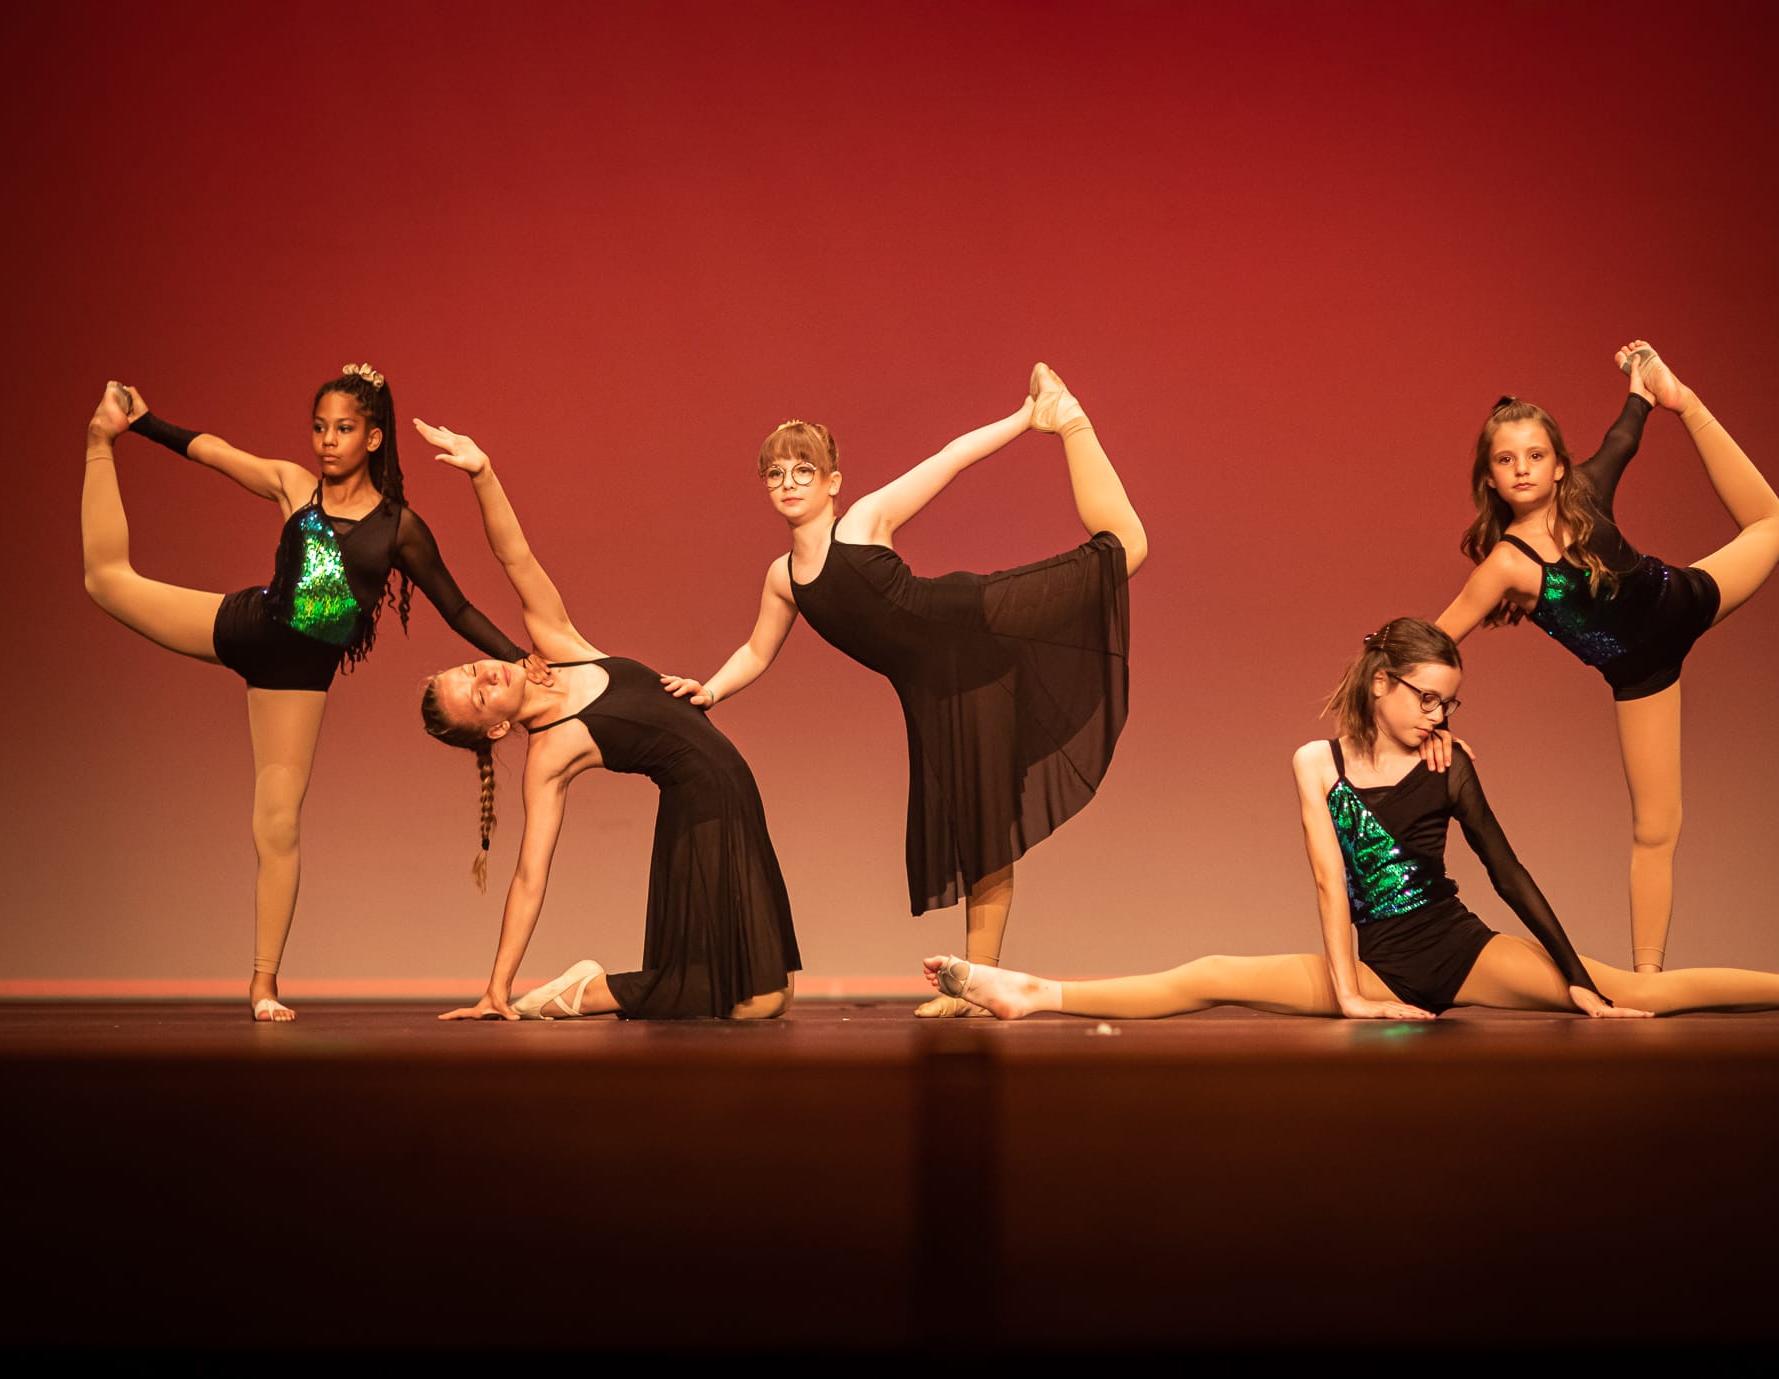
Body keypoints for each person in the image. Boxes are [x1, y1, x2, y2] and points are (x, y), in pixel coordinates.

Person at [923, 618, 1779, 1021]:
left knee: (1634, 993)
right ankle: (1030, 993)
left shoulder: (1451, 766)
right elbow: (1329, 881)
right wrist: (1350, 994)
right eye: (1426, 699)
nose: (1438, 717)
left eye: (1449, 703)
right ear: (1382, 684)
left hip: (1453, 949)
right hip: (1369, 960)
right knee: (1208, 974)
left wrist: (1576, 981)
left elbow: (1507, 872)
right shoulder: (1314, 761)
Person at [670, 364, 1145, 1017]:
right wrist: (712, 689)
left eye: (804, 470)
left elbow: (948, 459)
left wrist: (1024, 419)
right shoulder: (784, 578)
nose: (789, 483)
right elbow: (756, 651)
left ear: (833, 482)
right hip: (938, 695)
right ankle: (978, 986)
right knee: (980, 835)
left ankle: (1068, 419)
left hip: (973, 623)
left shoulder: (863, 521)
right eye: (775, 474)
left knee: (1126, 548)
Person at [81, 369, 535, 1021]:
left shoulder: (399, 528)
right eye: (320, 427)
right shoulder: (297, 487)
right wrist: (142, 424)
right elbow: (216, 453)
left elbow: (457, 607)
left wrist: (520, 657)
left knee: (278, 823)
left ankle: (263, 985)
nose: (327, 440)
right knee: (105, 582)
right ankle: (99, 440)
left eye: (343, 429)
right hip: (246, 627)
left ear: (373, 438)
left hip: (296, 678)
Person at [415, 421, 800, 1022]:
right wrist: (496, 988)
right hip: (700, 810)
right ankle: (586, 993)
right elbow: (529, 877)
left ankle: (588, 989)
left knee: (771, 995)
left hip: (736, 790)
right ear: (495, 730)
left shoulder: (558, 644)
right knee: (756, 1001)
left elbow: (514, 555)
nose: (487, 675)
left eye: (472, 669)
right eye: (480, 696)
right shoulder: (548, 756)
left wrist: (483, 474)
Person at [1435, 342, 1779, 973]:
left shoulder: (1586, 491)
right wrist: (1430, 718)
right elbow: (1436, 640)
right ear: (1489, 479)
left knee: (1774, 526)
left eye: (1536, 456)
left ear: (1558, 466)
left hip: (1686, 600)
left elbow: (1623, 436)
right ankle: (1648, 976)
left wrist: (1651, 392)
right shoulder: (1506, 566)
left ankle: (1693, 403)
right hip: (1642, 676)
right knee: (1656, 828)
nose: (1523, 469)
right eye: (1506, 460)